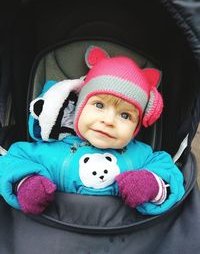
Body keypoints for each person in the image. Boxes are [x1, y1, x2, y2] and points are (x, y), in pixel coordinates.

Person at [0, 46, 185, 215]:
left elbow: (169, 173)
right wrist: (27, 184)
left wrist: (151, 184)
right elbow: (12, 162)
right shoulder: (49, 149)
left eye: (125, 116)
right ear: (79, 107)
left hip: (120, 233)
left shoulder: (142, 156)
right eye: (98, 105)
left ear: (136, 128)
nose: (108, 120)